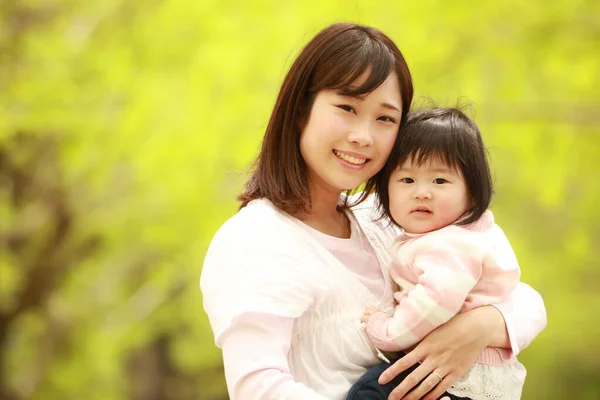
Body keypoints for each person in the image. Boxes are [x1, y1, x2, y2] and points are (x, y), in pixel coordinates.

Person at [200, 23, 546, 400]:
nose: (363, 136)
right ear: (301, 110)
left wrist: (478, 328)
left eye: (385, 118)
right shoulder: (255, 239)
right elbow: (257, 387)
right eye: (347, 108)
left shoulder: (382, 218)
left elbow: (525, 300)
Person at [348, 107, 526, 400]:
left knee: (367, 392)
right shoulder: (465, 234)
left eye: (440, 181)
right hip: (469, 368)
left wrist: (387, 330)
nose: (422, 192)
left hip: (457, 372)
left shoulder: (449, 244)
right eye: (407, 180)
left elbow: (435, 301)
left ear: (472, 192)